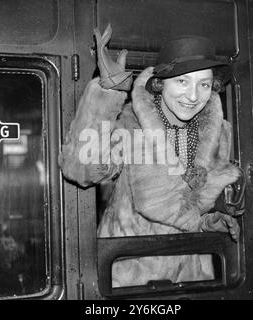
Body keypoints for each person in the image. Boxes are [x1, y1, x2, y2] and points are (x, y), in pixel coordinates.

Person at [59, 25, 241, 287]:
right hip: (129, 275)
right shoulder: (132, 123)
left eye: (203, 84)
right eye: (182, 81)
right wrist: (108, 93)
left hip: (192, 278)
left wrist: (210, 221)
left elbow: (198, 204)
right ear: (159, 83)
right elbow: (80, 171)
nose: (193, 96)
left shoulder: (218, 133)